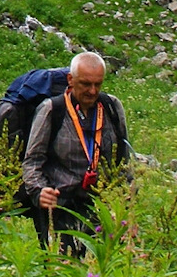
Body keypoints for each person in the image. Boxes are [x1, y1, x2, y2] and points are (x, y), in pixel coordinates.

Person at [21, 51, 132, 253]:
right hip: (61, 207)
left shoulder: (112, 108)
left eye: (98, 84)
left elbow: (123, 160)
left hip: (102, 206)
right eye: (85, 84)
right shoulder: (52, 110)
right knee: (63, 271)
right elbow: (32, 161)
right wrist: (39, 191)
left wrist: (125, 203)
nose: (92, 91)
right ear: (70, 80)